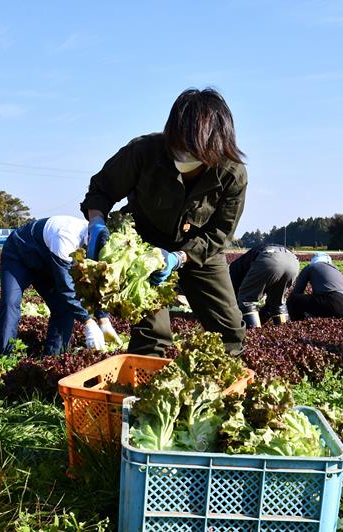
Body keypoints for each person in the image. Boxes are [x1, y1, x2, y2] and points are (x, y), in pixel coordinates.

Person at [80, 87, 247, 356]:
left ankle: (224, 381)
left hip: (198, 248)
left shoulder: (231, 173)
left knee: (228, 326)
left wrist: (178, 258)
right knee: (152, 333)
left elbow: (220, 233)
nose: (183, 156)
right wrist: (96, 223)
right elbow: (102, 190)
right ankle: (147, 380)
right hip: (146, 244)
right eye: (179, 146)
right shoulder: (144, 151)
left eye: (194, 150)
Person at [0, 215, 120, 356]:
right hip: (19, 255)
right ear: (88, 242)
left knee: (64, 308)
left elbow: (96, 285)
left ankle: (54, 358)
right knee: (10, 303)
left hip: (47, 261)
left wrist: (103, 319)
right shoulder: (66, 237)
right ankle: (1, 357)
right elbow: (66, 288)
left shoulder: (102, 243)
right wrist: (88, 321)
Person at [229, 243, 299, 328]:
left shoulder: (231, 271)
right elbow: (269, 305)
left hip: (269, 258)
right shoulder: (240, 264)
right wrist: (261, 318)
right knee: (277, 302)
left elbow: (232, 299)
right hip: (293, 261)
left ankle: (253, 333)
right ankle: (285, 332)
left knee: (247, 301)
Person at [287, 252, 343, 320]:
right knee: (319, 301)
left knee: (294, 300)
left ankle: (298, 325)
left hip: (337, 305)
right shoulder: (336, 269)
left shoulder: (311, 267)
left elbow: (297, 292)